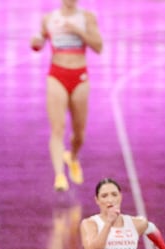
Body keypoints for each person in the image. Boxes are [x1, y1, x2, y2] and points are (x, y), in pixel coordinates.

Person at [30, 0, 103, 192]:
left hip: (79, 76)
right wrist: (35, 42)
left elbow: (99, 46)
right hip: (56, 75)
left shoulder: (87, 17)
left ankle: (73, 157)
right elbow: (38, 43)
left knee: (79, 133)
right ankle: (59, 175)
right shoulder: (49, 19)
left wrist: (78, 32)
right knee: (57, 128)